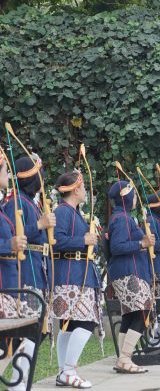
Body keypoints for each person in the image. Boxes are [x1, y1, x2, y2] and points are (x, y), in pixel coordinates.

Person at [4, 156, 56, 389]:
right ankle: (18, 381)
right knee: (27, 330)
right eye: (39, 173)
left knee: (38, 329)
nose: (42, 179)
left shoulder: (31, 202)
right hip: (25, 272)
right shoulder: (15, 202)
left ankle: (22, 380)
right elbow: (15, 236)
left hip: (38, 267)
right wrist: (39, 225)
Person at [51, 171, 102, 388]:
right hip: (70, 275)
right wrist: (84, 239)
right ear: (76, 189)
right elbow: (57, 241)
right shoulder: (63, 211)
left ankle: (64, 371)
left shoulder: (75, 213)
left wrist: (92, 240)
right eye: (84, 188)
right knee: (86, 322)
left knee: (70, 324)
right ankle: (69, 369)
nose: (86, 193)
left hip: (78, 273)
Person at [107, 180, 155, 374]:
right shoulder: (121, 219)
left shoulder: (123, 217)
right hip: (127, 272)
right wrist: (141, 243)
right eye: (133, 194)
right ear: (126, 197)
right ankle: (125, 358)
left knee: (132, 314)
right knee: (144, 312)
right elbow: (116, 247)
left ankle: (123, 359)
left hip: (129, 271)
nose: (136, 198)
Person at [0, 150, 29, 391]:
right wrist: (8, 244)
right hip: (2, 284)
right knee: (11, 338)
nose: (8, 175)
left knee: (16, 337)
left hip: (9, 281)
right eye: (5, 170)